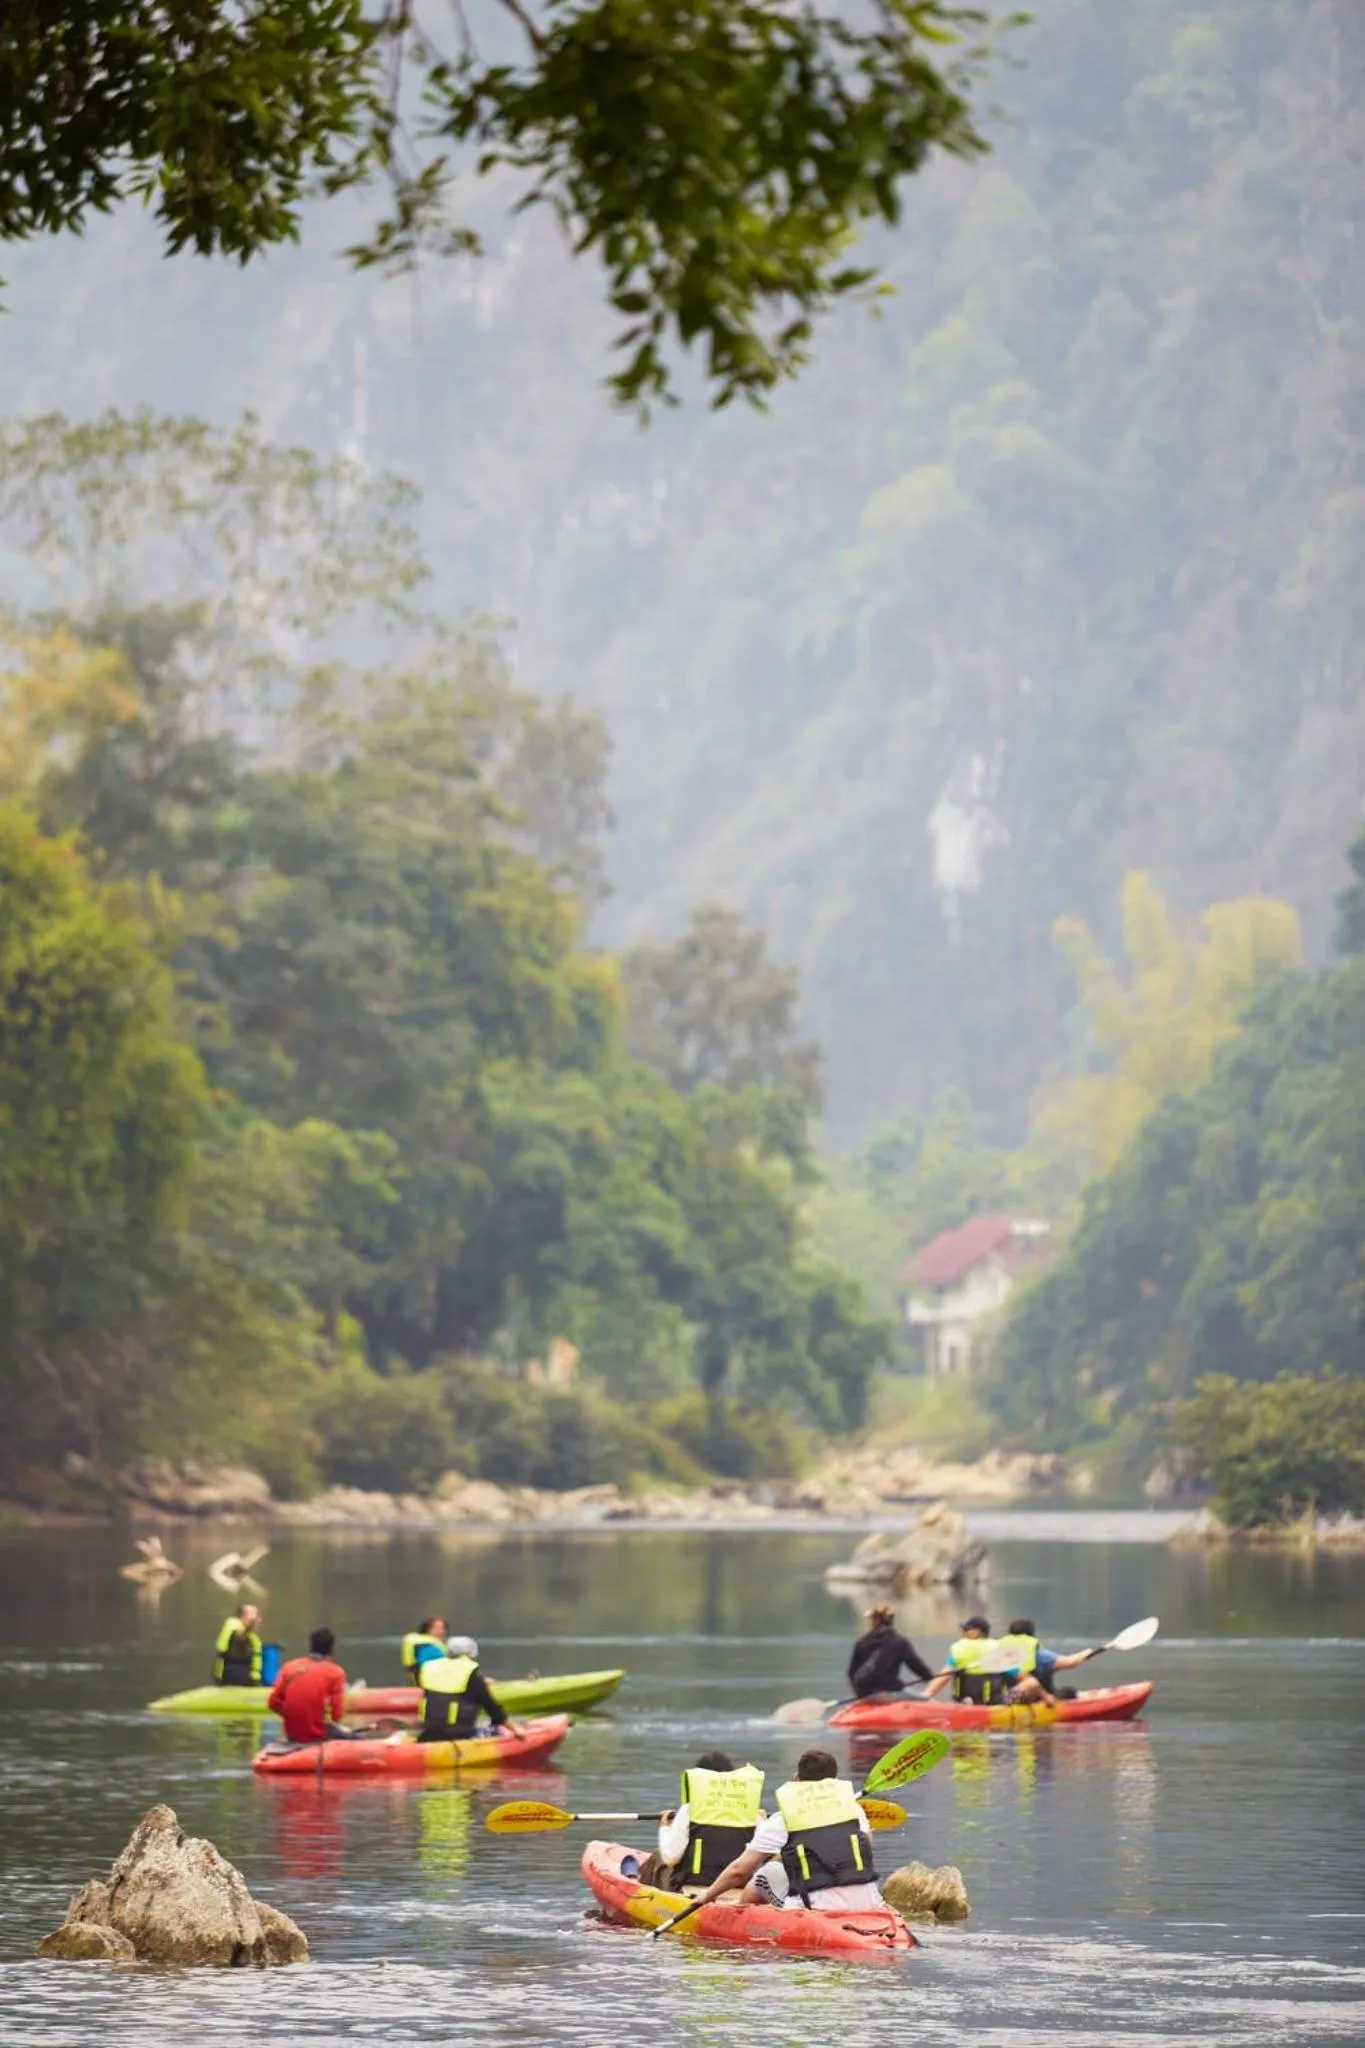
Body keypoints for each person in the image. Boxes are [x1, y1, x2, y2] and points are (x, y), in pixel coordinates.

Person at [686, 1748, 882, 1915]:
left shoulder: (784, 1818)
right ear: (834, 1781)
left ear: (796, 1779)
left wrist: (707, 1896)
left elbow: (739, 1871)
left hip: (816, 1908)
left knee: (766, 1873)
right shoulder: (854, 1809)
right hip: (868, 1902)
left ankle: (739, 1918)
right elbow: (865, 1846)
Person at [637, 1751, 765, 1890]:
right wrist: (763, 1822)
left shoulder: (689, 1810)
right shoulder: (751, 1811)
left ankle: (638, 1889)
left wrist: (664, 1827)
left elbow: (670, 1857)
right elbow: (765, 1854)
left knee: (657, 1857)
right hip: (741, 1888)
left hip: (695, 1887)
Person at [267, 1627, 362, 1744]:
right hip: (317, 1734)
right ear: (332, 1649)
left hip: (292, 1734)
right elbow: (336, 1715)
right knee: (359, 1738)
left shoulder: (289, 1667)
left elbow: (273, 1703)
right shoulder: (336, 1672)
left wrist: (291, 1714)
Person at [417, 1635, 516, 1743]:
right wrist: (516, 1729)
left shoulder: (433, 1671)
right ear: (471, 1654)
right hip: (459, 1736)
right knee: (499, 1729)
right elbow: (493, 1710)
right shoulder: (472, 1677)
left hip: (428, 1735)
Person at [992, 1619, 1099, 1704]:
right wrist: (1086, 1653)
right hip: (1041, 1699)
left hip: (1013, 1697)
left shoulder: (1002, 1655)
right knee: (1069, 1691)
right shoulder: (1041, 1656)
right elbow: (1071, 1663)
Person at [847, 1604, 935, 1698]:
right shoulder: (899, 1642)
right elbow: (916, 1666)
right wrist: (929, 1677)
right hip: (890, 1692)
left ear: (873, 1621)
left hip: (866, 1695)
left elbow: (852, 1672)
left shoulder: (861, 1642)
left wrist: (860, 1693)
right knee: (928, 1699)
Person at [923, 1615, 1012, 1704]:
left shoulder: (959, 1649)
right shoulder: (999, 1647)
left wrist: (926, 1694)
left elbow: (944, 1676)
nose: (963, 1632)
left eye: (966, 1629)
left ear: (976, 1632)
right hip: (994, 1703)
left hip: (964, 1702)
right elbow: (1016, 1675)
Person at [213, 1603, 262, 1686]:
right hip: (233, 1676)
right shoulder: (236, 1633)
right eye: (254, 1615)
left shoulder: (250, 1636)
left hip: (235, 1674)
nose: (258, 1619)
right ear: (243, 1616)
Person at [401, 1616, 450, 1681]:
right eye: (435, 1628)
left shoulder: (441, 1646)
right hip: (430, 1680)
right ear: (426, 1630)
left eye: (442, 1628)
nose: (440, 1631)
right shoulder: (425, 1646)